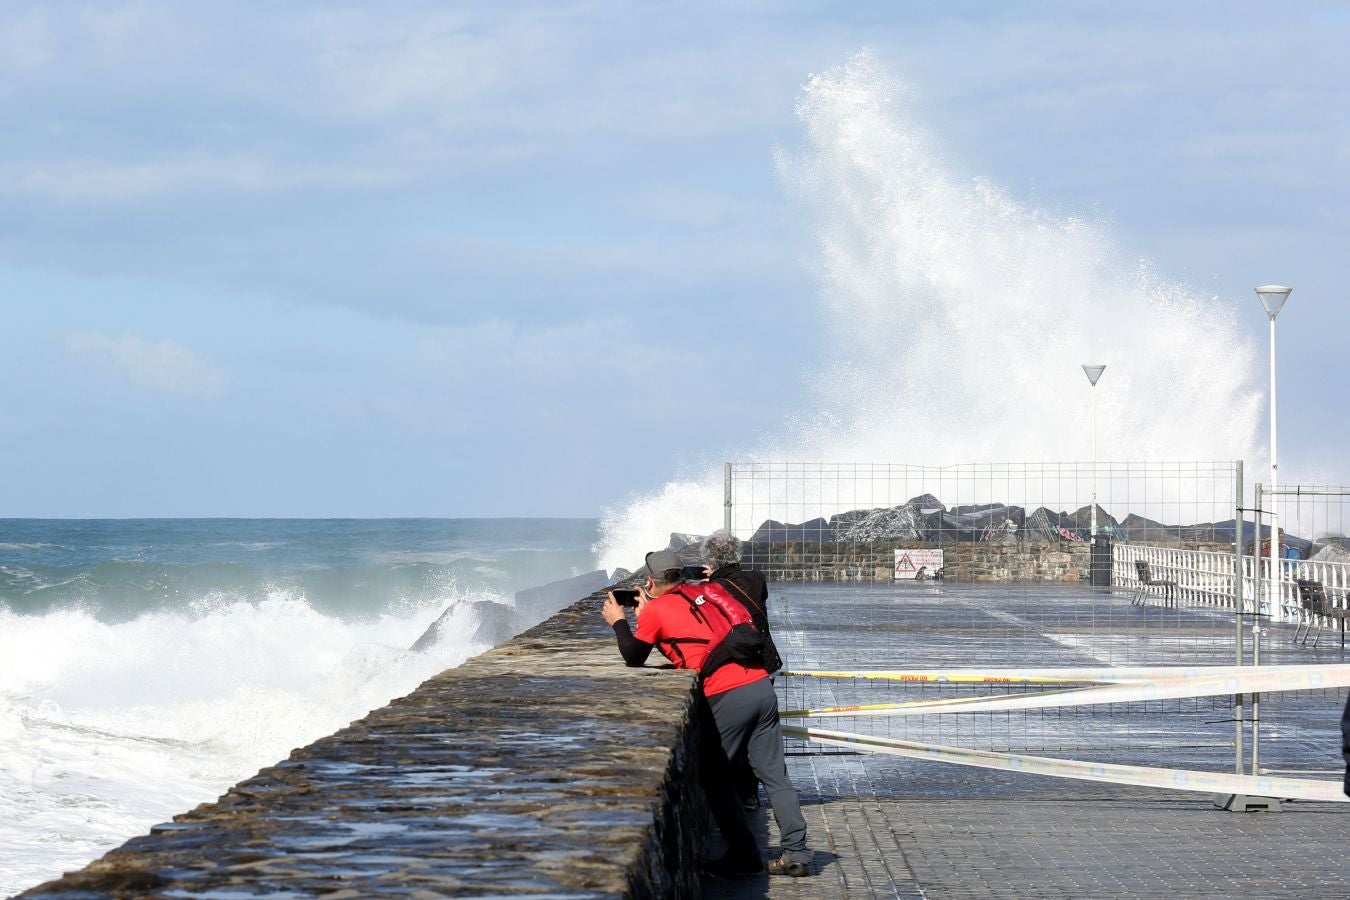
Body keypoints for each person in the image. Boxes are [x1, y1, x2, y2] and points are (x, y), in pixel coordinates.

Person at [602, 549, 813, 878]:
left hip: (727, 693)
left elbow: (633, 655)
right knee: (774, 776)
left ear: (649, 581)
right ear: (678, 575)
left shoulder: (655, 611)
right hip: (760, 684)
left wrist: (619, 622)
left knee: (715, 776)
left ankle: (743, 854)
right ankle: (796, 852)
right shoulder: (702, 591)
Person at [701, 529, 783, 809]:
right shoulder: (756, 579)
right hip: (767, 663)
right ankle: (749, 794)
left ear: (709, 561)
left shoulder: (710, 590)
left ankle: (733, 797)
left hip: (738, 668)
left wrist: (707, 581)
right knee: (758, 735)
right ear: (737, 555)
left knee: (733, 734)